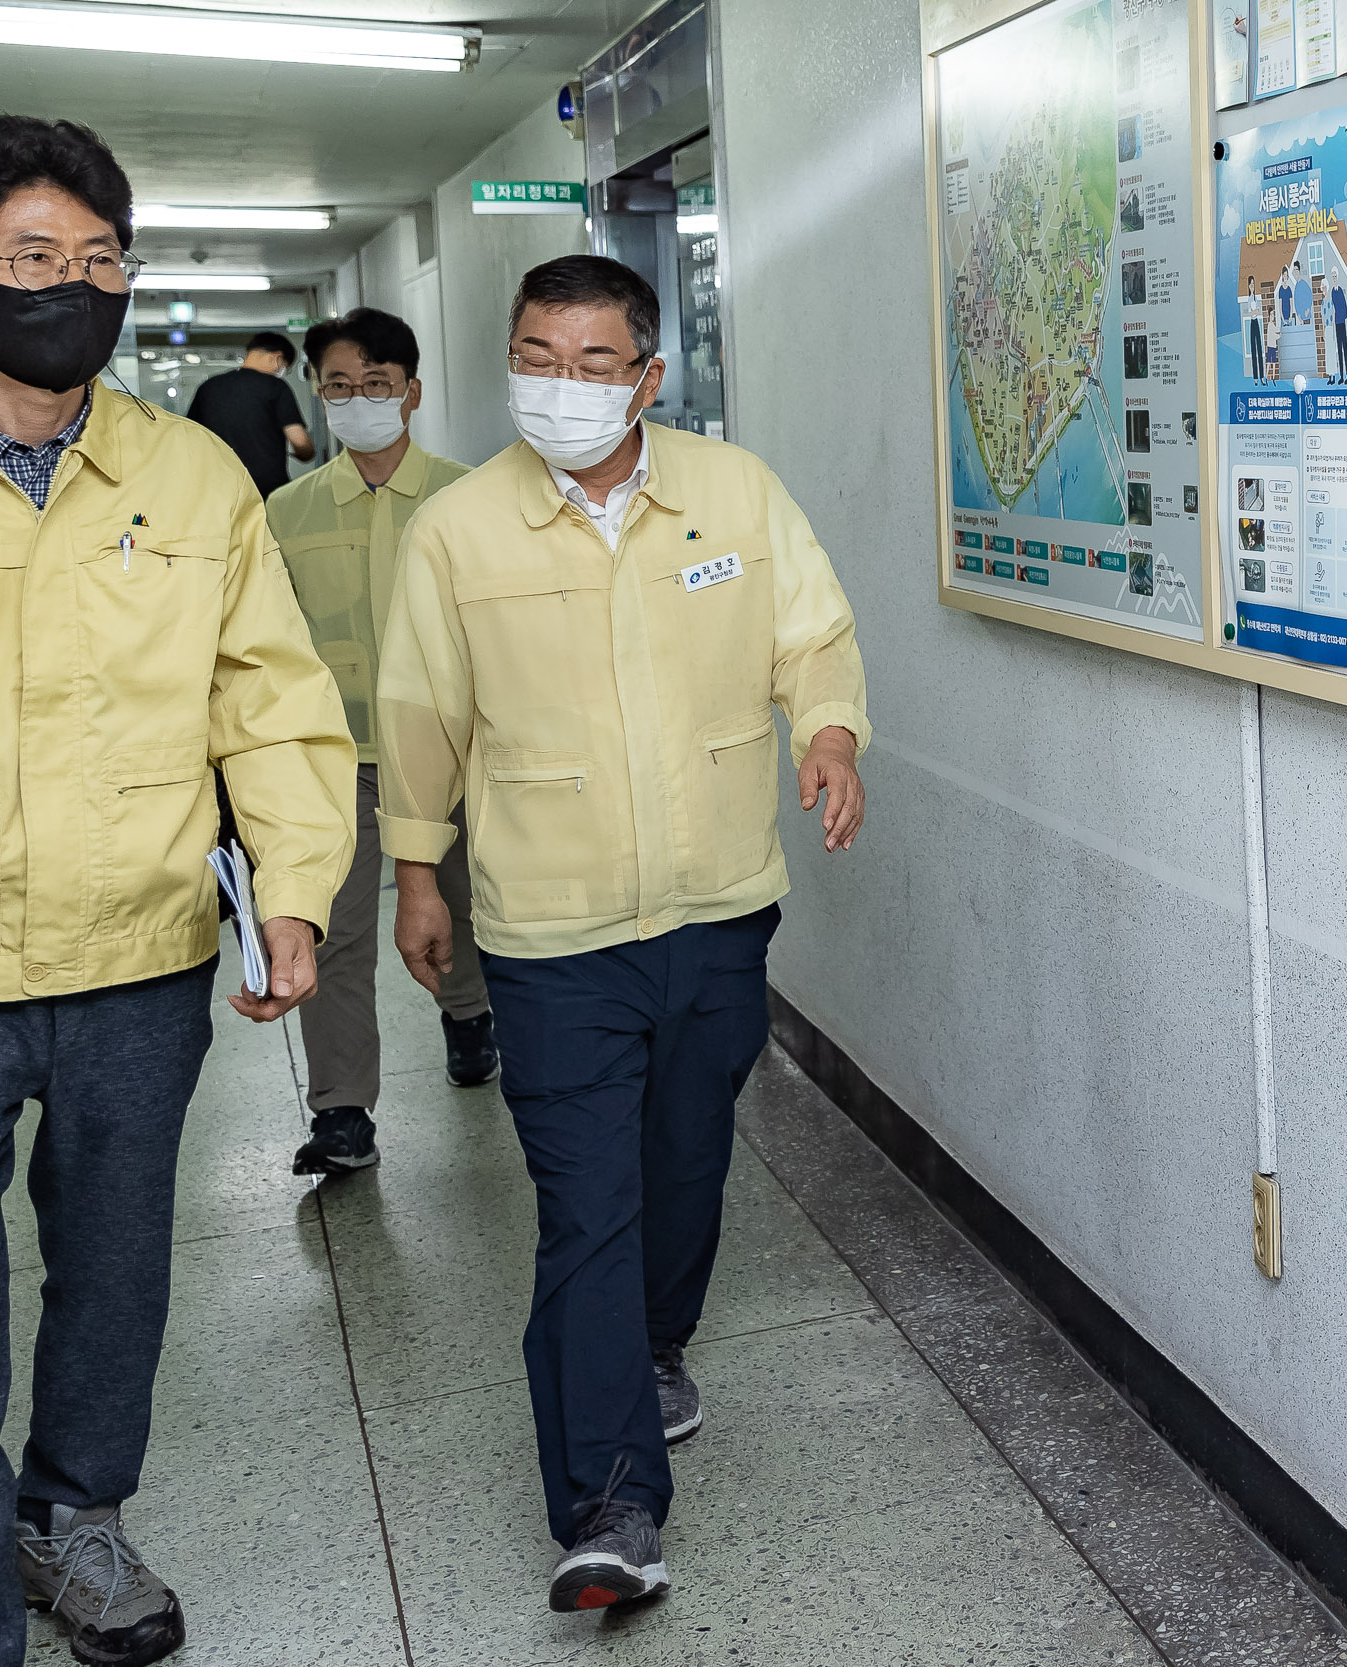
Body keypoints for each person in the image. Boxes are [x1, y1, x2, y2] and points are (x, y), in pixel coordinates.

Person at [0, 113, 355, 1667]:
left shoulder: (188, 475)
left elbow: (274, 699)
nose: (74, 288)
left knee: (114, 1280)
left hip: (134, 959)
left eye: (102, 261)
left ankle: (72, 1513)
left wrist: (293, 883)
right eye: (34, 258)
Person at [376, 254, 867, 1616]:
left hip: (716, 901)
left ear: (650, 374)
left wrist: (828, 731)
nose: (564, 385)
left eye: (597, 362)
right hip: (546, 925)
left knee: (688, 1159)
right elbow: (420, 713)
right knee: (587, 1201)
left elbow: (812, 636)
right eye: (540, 354)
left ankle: (654, 1342)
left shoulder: (736, 493)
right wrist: (417, 872)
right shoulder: (461, 531)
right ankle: (611, 1501)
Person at [267, 308, 495, 1175]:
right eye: (338, 385)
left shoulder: (470, 498)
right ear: (317, 395)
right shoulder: (285, 512)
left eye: (376, 384)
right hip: (342, 763)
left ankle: (468, 1015)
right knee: (340, 932)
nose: (358, 400)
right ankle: (342, 1112)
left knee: (466, 903)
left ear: (412, 392)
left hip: (460, 754)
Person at [186, 330, 315, 502]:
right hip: (268, 492)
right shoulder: (275, 387)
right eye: (285, 367)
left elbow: (190, 437)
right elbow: (299, 440)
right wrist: (306, 453)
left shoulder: (208, 387)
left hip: (219, 490)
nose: (281, 371)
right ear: (276, 358)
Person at [1328, 280, 1347, 382]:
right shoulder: (1333, 292)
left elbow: (1344, 306)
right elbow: (1334, 306)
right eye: (1332, 277)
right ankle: (1341, 376)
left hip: (1341, 323)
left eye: (1335, 276)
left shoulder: (1340, 291)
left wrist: (1342, 317)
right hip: (1337, 323)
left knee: (1345, 349)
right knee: (1339, 349)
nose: (1334, 279)